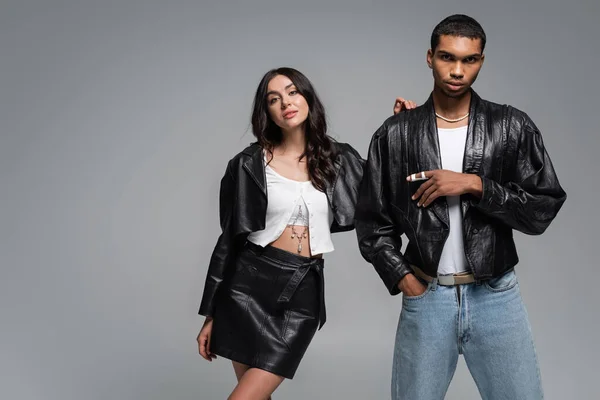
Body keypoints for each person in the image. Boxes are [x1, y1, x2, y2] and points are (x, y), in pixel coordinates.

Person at [355, 14, 567, 400]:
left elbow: (542, 208)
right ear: (429, 57)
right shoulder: (396, 133)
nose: (457, 71)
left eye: (469, 60)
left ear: (482, 60)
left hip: (496, 296)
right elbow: (372, 223)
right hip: (427, 295)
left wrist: (476, 185)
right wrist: (406, 280)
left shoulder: (510, 127)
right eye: (446, 57)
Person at [196, 66, 414, 399]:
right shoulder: (247, 164)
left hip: (302, 292)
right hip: (245, 287)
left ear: (307, 96)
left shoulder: (339, 159)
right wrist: (211, 312)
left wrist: (397, 131)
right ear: (266, 111)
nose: (286, 102)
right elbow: (229, 239)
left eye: (293, 92)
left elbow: (382, 190)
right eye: (274, 99)